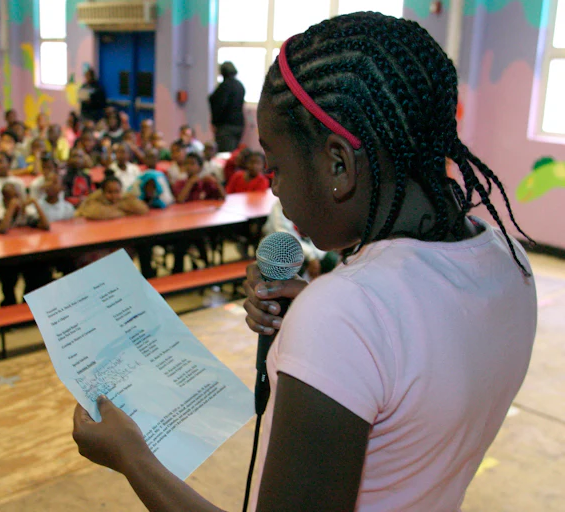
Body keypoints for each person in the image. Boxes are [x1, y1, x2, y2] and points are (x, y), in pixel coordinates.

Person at [71, 13, 538, 512]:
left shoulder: (348, 312)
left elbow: (376, 331)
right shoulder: (509, 262)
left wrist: (132, 456)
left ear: (338, 164)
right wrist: (321, 324)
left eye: (275, 163)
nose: (271, 182)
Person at [0, 183, 50, 306]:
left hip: (25, 252)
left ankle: (28, 302)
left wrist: (35, 203)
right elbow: (2, 228)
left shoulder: (26, 210)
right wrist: (11, 208)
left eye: (18, 196)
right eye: (12, 197)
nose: (17, 200)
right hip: (6, 254)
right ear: (5, 199)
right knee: (8, 276)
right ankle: (9, 302)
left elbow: (46, 226)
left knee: (40, 269)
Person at [208, 61, 246, 152]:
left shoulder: (224, 86)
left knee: (224, 153)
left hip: (225, 126)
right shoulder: (240, 85)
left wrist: (214, 122)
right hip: (239, 124)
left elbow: (219, 106)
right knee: (232, 153)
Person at [76, 175, 149, 220]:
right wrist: (124, 212)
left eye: (117, 191)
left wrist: (114, 207)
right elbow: (94, 213)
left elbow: (142, 209)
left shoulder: (125, 196)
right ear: (103, 192)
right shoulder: (95, 198)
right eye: (109, 192)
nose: (114, 195)